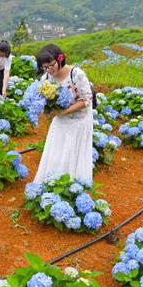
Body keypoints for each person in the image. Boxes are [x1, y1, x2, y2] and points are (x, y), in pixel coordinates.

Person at [33, 44, 94, 183]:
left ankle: (73, 184)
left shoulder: (76, 74)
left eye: (51, 65)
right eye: (44, 67)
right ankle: (53, 181)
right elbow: (44, 100)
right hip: (60, 118)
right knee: (56, 149)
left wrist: (63, 111)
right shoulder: (46, 79)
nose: (49, 69)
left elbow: (86, 99)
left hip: (80, 119)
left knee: (73, 151)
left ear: (60, 58)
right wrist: (45, 110)